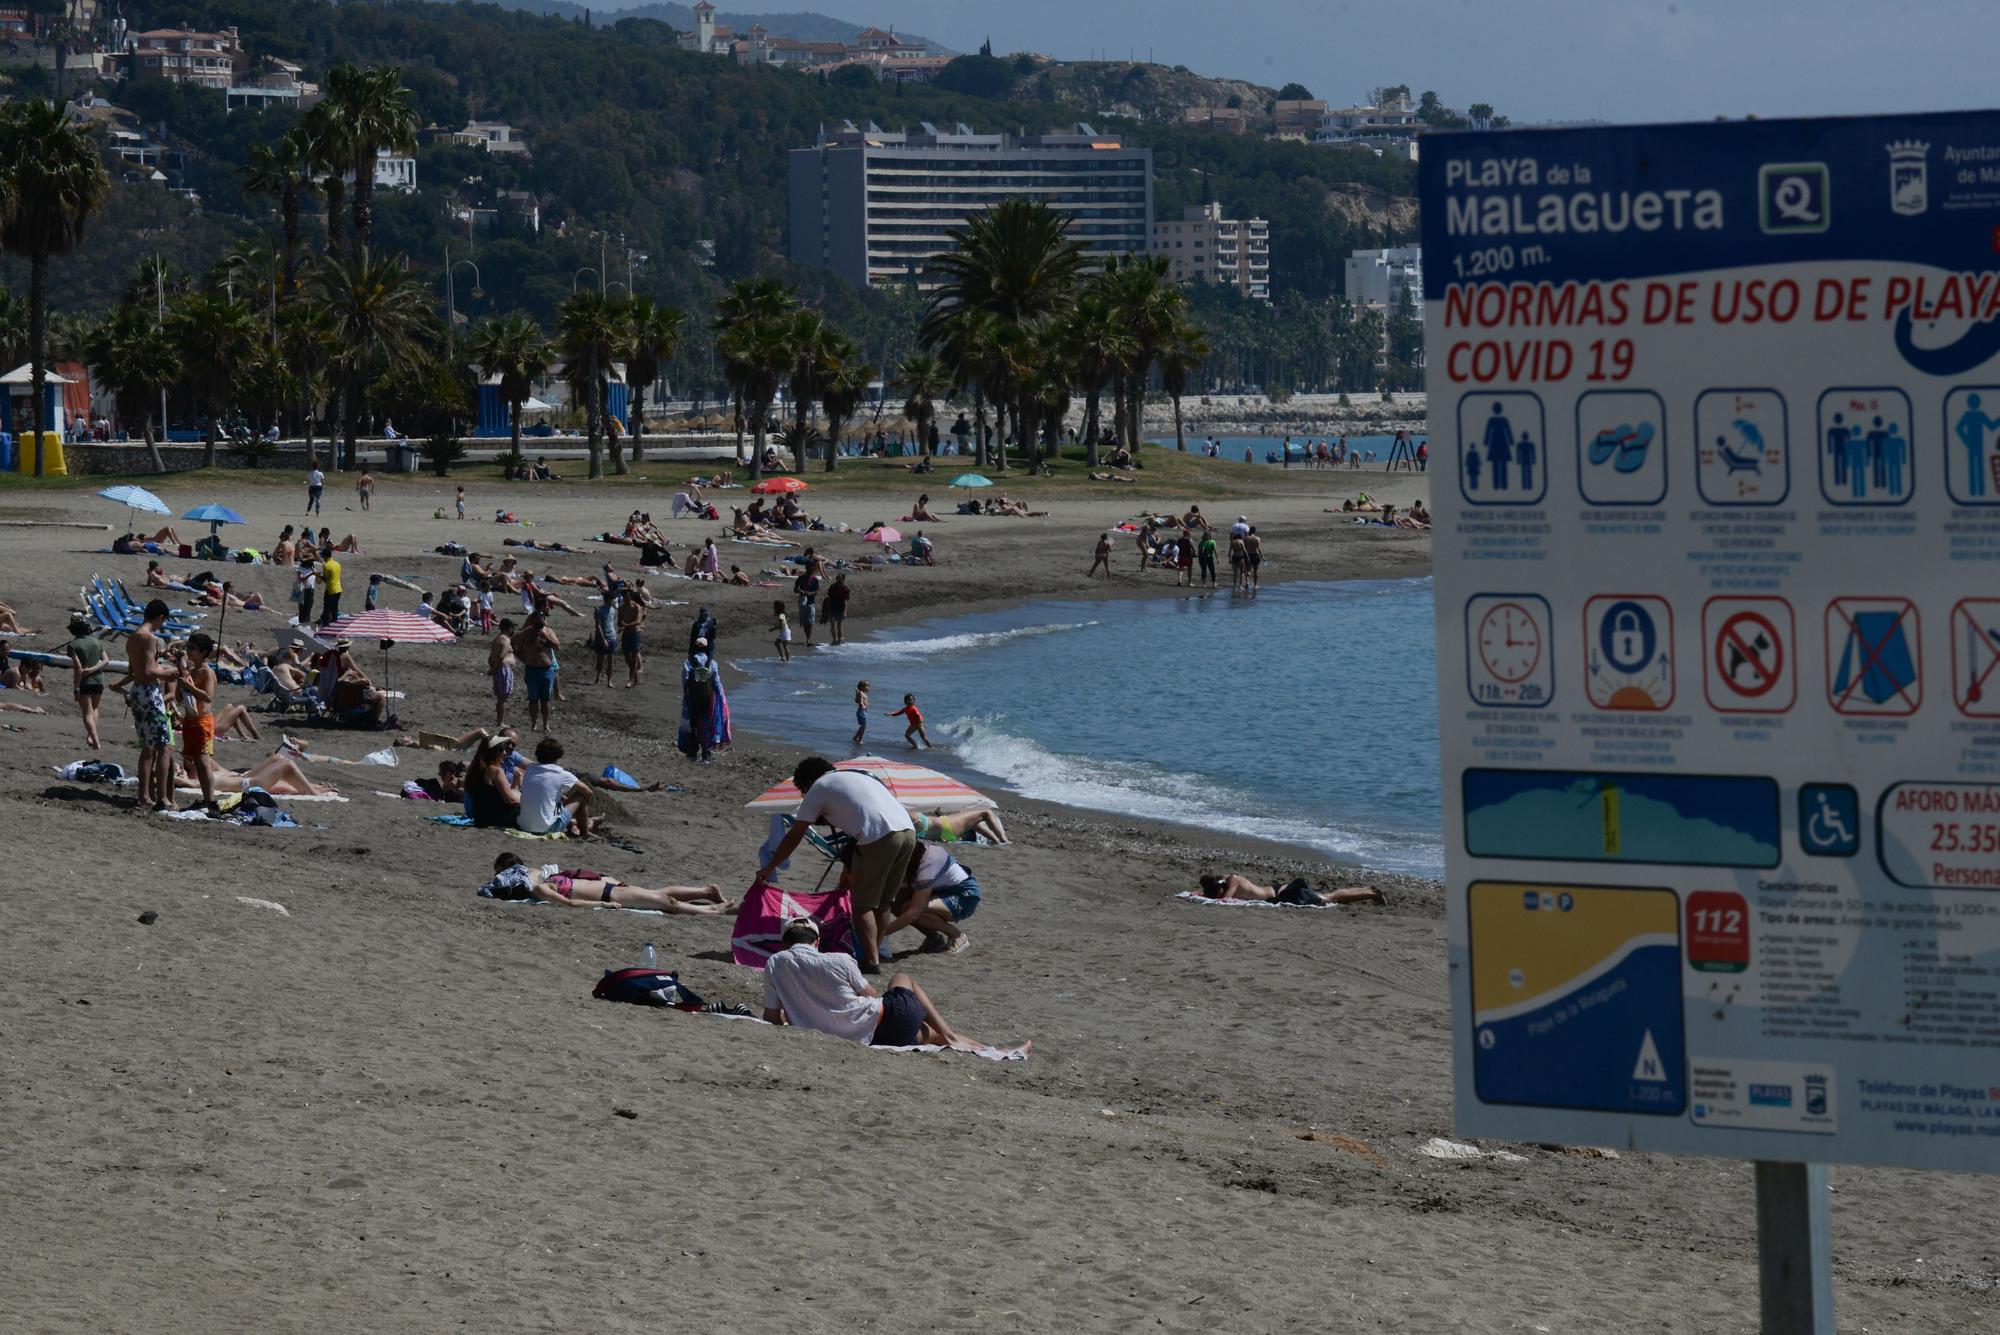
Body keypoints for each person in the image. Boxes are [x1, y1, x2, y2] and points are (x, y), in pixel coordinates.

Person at [759, 916, 1024, 1053]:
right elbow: (871, 993)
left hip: (877, 1038)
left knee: (931, 1038)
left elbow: (771, 1018)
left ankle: (991, 1049)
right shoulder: (838, 959)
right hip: (884, 1019)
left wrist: (789, 1016)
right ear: (817, 942)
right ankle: (986, 1046)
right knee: (901, 978)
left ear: (784, 943)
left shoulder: (774, 964)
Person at [758, 755, 916, 973]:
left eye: (802, 791)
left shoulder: (818, 788)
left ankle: (870, 962)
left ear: (806, 783)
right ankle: (875, 953)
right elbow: (860, 824)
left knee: (862, 906)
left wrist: (770, 866)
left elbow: (794, 835)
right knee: (883, 902)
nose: (804, 796)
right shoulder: (856, 776)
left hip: (879, 837)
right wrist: (848, 868)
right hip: (908, 832)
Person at [481, 853, 734, 913]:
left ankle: (706, 893)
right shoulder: (539, 886)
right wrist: (606, 907)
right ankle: (710, 909)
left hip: (610, 887)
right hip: (610, 896)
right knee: (663, 901)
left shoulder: (542, 876)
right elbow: (568, 903)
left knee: (657, 896)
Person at [121, 599, 178, 811]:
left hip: (137, 692)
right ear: (160, 617)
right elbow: (148, 672)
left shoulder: (132, 638)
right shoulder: (149, 638)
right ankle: (163, 798)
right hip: (149, 694)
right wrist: (169, 672)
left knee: (147, 747)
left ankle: (144, 796)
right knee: (164, 746)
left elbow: (132, 672)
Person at [880, 839, 980, 955]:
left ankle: (956, 935)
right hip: (941, 890)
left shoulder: (928, 863)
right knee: (895, 900)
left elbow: (913, 912)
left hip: (964, 895)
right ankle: (934, 939)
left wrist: (881, 934)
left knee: (909, 908)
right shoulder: (918, 852)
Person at [174, 633, 223, 818]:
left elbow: (208, 696)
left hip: (202, 722)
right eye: (188, 647)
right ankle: (206, 799)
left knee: (203, 763)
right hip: (189, 721)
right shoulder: (191, 671)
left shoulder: (207, 671)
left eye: (192, 648)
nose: (189, 651)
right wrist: (181, 680)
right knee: (195, 762)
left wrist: (190, 686)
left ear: (203, 652)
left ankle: (211, 802)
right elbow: (179, 698)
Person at [519, 735, 593, 836]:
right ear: (558, 756)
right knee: (581, 796)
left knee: (555, 803)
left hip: (524, 826)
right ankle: (586, 832)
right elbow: (588, 792)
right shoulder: (560, 773)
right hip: (549, 828)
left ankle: (575, 823)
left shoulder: (530, 768)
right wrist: (580, 807)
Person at [677, 638, 728, 763]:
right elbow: (716, 682)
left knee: (692, 724)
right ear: (706, 648)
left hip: (693, 699)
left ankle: (692, 753)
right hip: (708, 699)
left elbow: (685, 680)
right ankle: (706, 754)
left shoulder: (688, 661)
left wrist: (686, 695)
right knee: (706, 725)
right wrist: (720, 699)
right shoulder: (712, 663)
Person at [63, 616, 106, 750]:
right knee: (94, 709)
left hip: (85, 681)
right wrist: (92, 669)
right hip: (99, 680)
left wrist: (76, 688)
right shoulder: (96, 642)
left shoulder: (73, 645)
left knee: (86, 713)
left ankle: (95, 740)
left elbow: (78, 669)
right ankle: (90, 736)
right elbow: (106, 661)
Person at [513, 610, 559, 732]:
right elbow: (513, 642)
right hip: (532, 669)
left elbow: (557, 646)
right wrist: (519, 655)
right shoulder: (526, 633)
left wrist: (546, 637)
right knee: (533, 699)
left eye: (541, 620)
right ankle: (534, 724)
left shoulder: (549, 632)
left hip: (547, 670)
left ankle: (545, 724)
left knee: (546, 699)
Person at [467, 732, 523, 828]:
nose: (505, 753)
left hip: (481, 818)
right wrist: (526, 800)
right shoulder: (495, 769)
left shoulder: (475, 768)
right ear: (492, 751)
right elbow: (510, 800)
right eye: (501, 750)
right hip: (497, 818)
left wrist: (514, 785)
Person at [912, 806, 1009, 846]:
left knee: (973, 823)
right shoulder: (909, 814)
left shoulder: (904, 821)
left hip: (943, 836)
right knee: (986, 812)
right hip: (947, 825)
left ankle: (997, 840)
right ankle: (1004, 840)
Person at [617, 587, 646, 688]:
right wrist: (621, 626)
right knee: (626, 657)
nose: (625, 599)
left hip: (635, 633)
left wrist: (627, 625)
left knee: (634, 658)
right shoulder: (621, 608)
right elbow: (619, 621)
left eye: (627, 597)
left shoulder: (636, 607)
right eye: (624, 597)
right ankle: (636, 676)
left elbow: (638, 621)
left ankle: (630, 680)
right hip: (626, 633)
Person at [824, 574, 850, 646]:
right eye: (837, 579)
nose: (838, 580)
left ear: (843, 580)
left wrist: (845, 612)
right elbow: (829, 598)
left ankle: (838, 641)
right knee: (832, 625)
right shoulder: (833, 587)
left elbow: (845, 601)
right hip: (832, 607)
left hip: (840, 608)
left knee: (839, 625)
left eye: (839, 579)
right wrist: (826, 609)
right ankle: (834, 639)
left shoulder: (846, 589)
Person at [319, 551, 344, 626]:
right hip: (338, 589)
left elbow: (325, 579)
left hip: (330, 590)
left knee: (327, 609)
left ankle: (326, 626)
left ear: (324, 556)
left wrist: (318, 576)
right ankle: (335, 624)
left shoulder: (327, 565)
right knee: (335, 608)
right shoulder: (337, 564)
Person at [1244, 525, 1263, 593]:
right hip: (1255, 555)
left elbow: (1245, 548)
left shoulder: (1246, 538)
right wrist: (1262, 557)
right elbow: (1258, 549)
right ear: (1255, 531)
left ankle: (1247, 582)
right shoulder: (1257, 538)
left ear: (1249, 531)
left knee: (1247, 569)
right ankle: (1255, 585)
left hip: (1248, 555)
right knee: (1255, 571)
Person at [772, 599, 791, 663]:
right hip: (785, 631)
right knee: (784, 646)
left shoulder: (781, 616)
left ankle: (783, 658)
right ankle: (786, 660)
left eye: (774, 606)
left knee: (778, 644)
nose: (773, 607)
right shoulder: (782, 614)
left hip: (784, 632)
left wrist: (773, 628)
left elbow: (782, 625)